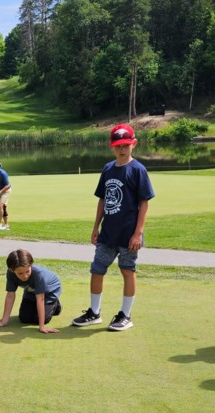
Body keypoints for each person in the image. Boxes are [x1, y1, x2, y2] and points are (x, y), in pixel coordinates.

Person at [71, 123, 154, 332]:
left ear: (133, 144)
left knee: (127, 270)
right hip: (108, 232)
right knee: (97, 270)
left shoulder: (138, 170)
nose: (122, 149)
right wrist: (95, 227)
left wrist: (138, 233)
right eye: (118, 145)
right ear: (112, 147)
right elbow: (102, 200)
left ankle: (126, 315)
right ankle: (94, 312)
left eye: (126, 144)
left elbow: (144, 203)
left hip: (129, 234)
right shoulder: (108, 169)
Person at [0, 249, 62, 334]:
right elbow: (10, 295)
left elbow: (40, 299)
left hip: (48, 293)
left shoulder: (39, 274)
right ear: (11, 270)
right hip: (30, 291)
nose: (25, 276)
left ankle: (56, 305)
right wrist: (4, 321)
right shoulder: (10, 273)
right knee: (24, 319)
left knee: (38, 320)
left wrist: (42, 327)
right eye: (20, 273)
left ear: (31, 265)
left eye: (27, 271)